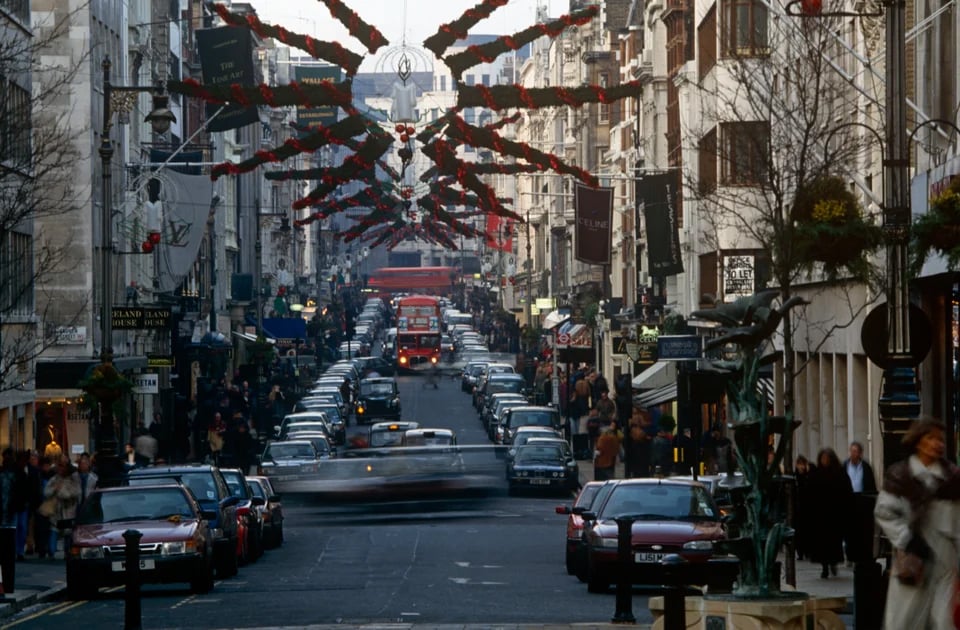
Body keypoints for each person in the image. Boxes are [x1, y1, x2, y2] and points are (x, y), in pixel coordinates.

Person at [875, 417, 960, 630]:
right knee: (904, 620)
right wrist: (906, 539)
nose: (937, 444)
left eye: (940, 439)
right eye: (931, 438)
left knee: (944, 622)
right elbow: (884, 511)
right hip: (914, 558)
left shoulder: (952, 478)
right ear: (918, 441)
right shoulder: (901, 475)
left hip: (946, 559)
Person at [807, 447, 852, 578]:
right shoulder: (816, 474)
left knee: (834, 542)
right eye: (823, 458)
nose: (825, 461)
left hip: (835, 515)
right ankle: (824, 567)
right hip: (820, 516)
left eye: (827, 458)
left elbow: (846, 492)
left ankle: (833, 563)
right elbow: (810, 494)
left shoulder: (839, 473)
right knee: (822, 543)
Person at [843, 441, 878, 564]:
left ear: (860, 453)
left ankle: (861, 554)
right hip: (849, 500)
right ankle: (850, 554)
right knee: (849, 530)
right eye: (852, 451)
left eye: (856, 451)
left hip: (863, 501)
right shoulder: (845, 466)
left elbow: (871, 485)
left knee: (862, 530)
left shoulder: (866, 467)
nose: (853, 454)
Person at [43, 456, 80, 560]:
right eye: (59, 466)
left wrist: (62, 492)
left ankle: (67, 552)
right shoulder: (54, 479)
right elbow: (46, 492)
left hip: (69, 510)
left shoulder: (73, 479)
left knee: (67, 532)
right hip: (56, 511)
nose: (61, 468)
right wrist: (54, 489)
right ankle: (51, 551)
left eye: (63, 466)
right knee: (54, 529)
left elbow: (76, 492)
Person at [794, 455, 814, 561]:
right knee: (799, 531)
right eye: (799, 465)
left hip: (808, 508)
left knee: (808, 530)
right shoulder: (796, 477)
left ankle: (808, 551)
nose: (800, 467)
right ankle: (800, 552)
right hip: (799, 508)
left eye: (802, 464)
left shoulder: (809, 475)